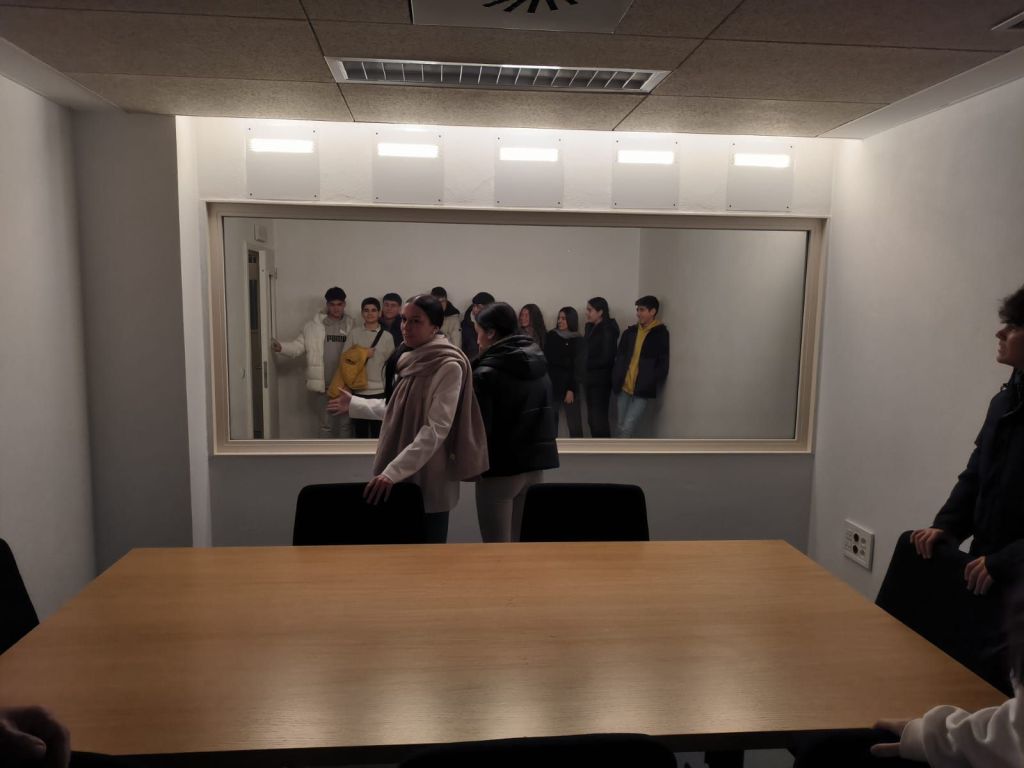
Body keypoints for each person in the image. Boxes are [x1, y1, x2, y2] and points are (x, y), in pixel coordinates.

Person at [328, 295, 488, 543]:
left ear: (435, 326)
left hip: (430, 475)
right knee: (397, 553)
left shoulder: (448, 365)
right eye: (404, 319)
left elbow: (436, 429)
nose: (406, 327)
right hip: (401, 473)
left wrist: (393, 472)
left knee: (428, 554)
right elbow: (400, 409)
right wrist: (356, 404)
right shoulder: (409, 357)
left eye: (416, 321)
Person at [909, 284, 1024, 590]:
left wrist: (1007, 561)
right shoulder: (1003, 404)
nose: (1000, 333)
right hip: (985, 568)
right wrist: (947, 526)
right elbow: (976, 475)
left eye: (1013, 326)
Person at [472, 302, 559, 542]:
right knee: (522, 548)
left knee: (496, 549)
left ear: (491, 333)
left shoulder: (485, 373)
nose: (477, 340)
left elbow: (480, 429)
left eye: (478, 332)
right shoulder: (538, 363)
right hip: (535, 467)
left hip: (501, 468)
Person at [273, 286, 353, 438]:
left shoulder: (352, 325)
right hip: (323, 384)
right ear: (327, 305)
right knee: (326, 424)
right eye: (332, 304)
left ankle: (344, 454)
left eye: (339, 304)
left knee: (346, 425)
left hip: (345, 384)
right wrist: (281, 347)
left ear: (344, 304)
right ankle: (325, 454)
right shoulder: (313, 327)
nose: (336, 308)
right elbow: (298, 346)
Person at [611, 295, 670, 438]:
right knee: (620, 424)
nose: (638, 313)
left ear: (653, 311)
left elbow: (663, 362)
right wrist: (617, 376)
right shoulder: (630, 333)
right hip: (624, 386)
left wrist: (651, 380)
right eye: (637, 310)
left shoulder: (660, 333)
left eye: (642, 310)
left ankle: (620, 452)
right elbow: (619, 357)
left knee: (628, 425)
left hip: (642, 389)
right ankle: (622, 450)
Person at [342, 297, 396, 439]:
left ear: (379, 313)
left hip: (380, 392)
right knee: (360, 434)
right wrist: (363, 353)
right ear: (362, 313)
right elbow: (345, 359)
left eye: (373, 310)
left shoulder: (387, 337)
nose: (370, 313)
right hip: (359, 390)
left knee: (379, 434)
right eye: (366, 310)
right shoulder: (354, 334)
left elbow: (392, 365)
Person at [544, 307, 584, 438]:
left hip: (570, 385)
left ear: (571, 320)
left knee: (575, 425)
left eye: (564, 318)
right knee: (550, 424)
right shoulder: (551, 336)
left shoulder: (578, 339)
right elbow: (547, 360)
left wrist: (571, 388)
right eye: (559, 318)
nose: (560, 321)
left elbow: (577, 366)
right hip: (553, 384)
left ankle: (579, 450)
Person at [583, 297, 620, 438]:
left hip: (601, 381)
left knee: (599, 420)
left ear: (600, 312)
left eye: (590, 310)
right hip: (590, 379)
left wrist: (585, 363)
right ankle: (596, 449)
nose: (587, 313)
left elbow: (607, 358)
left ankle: (605, 449)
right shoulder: (590, 327)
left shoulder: (608, 329)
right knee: (592, 419)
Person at [460, 291, 495, 359]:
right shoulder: (465, 324)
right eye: (474, 306)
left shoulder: (495, 325)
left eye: (479, 307)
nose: (474, 309)